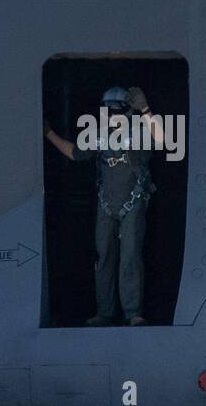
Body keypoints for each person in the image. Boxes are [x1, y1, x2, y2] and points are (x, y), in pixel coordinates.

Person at [45, 86, 163, 326]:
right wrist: (48, 133)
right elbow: (74, 153)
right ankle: (105, 311)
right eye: (106, 111)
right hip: (106, 205)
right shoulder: (98, 136)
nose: (110, 115)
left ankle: (133, 313)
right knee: (103, 257)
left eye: (115, 110)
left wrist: (146, 110)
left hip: (133, 202)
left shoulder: (139, 133)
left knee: (130, 257)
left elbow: (161, 139)